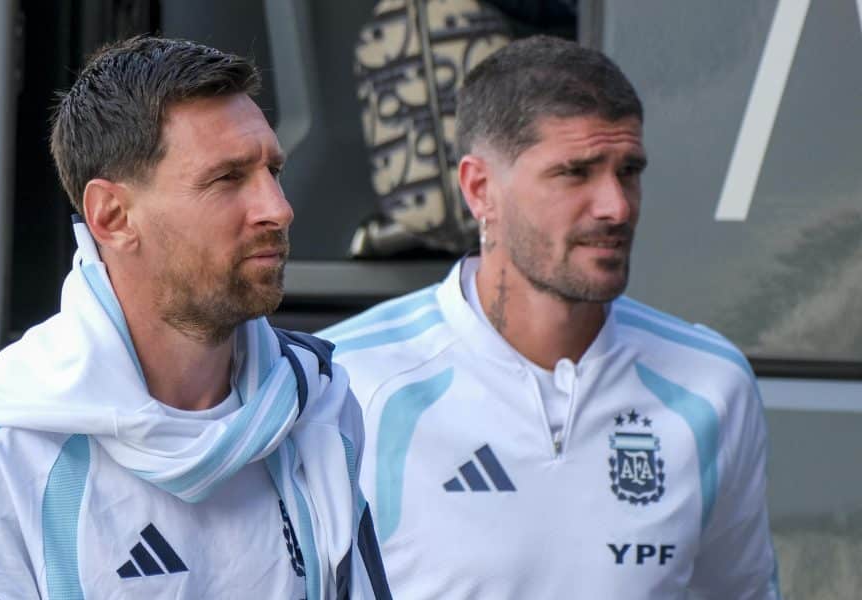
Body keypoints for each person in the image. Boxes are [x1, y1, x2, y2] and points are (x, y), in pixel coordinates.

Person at [0, 37, 390, 600]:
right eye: (227, 178)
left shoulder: (315, 404)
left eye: (273, 170)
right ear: (113, 216)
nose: (278, 208)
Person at [321, 35, 780, 599]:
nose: (616, 206)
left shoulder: (709, 384)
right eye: (575, 172)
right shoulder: (349, 382)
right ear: (480, 189)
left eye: (629, 170)